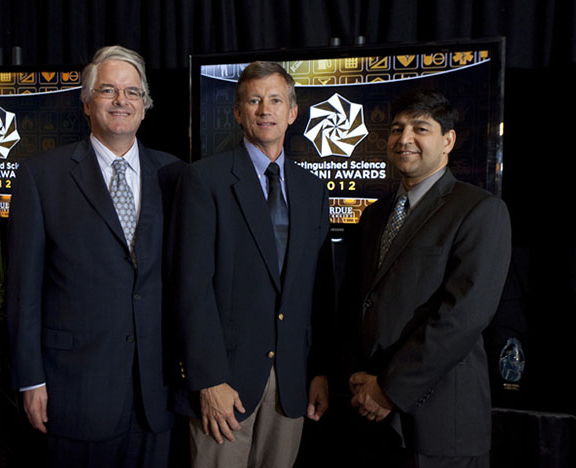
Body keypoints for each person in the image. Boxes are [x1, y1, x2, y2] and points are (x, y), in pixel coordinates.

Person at [6, 45, 184, 468]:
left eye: (132, 92)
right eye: (108, 90)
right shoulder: (40, 176)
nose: (121, 100)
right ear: (87, 103)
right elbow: (23, 291)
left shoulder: (175, 175)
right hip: (75, 391)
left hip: (154, 393)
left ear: (145, 107)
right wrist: (31, 379)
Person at [173, 61, 333, 468]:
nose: (266, 109)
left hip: (291, 382)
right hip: (226, 383)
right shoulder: (204, 180)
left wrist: (318, 371)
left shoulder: (312, 189)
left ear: (292, 113)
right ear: (239, 113)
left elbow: (319, 290)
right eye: (254, 100)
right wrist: (207, 379)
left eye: (276, 100)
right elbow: (190, 287)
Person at [341, 89, 511, 468]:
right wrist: (356, 375)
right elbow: (359, 300)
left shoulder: (480, 211)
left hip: (438, 422)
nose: (405, 139)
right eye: (397, 129)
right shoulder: (374, 215)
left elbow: (462, 317)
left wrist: (389, 390)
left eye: (421, 128)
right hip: (369, 415)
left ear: (448, 140)